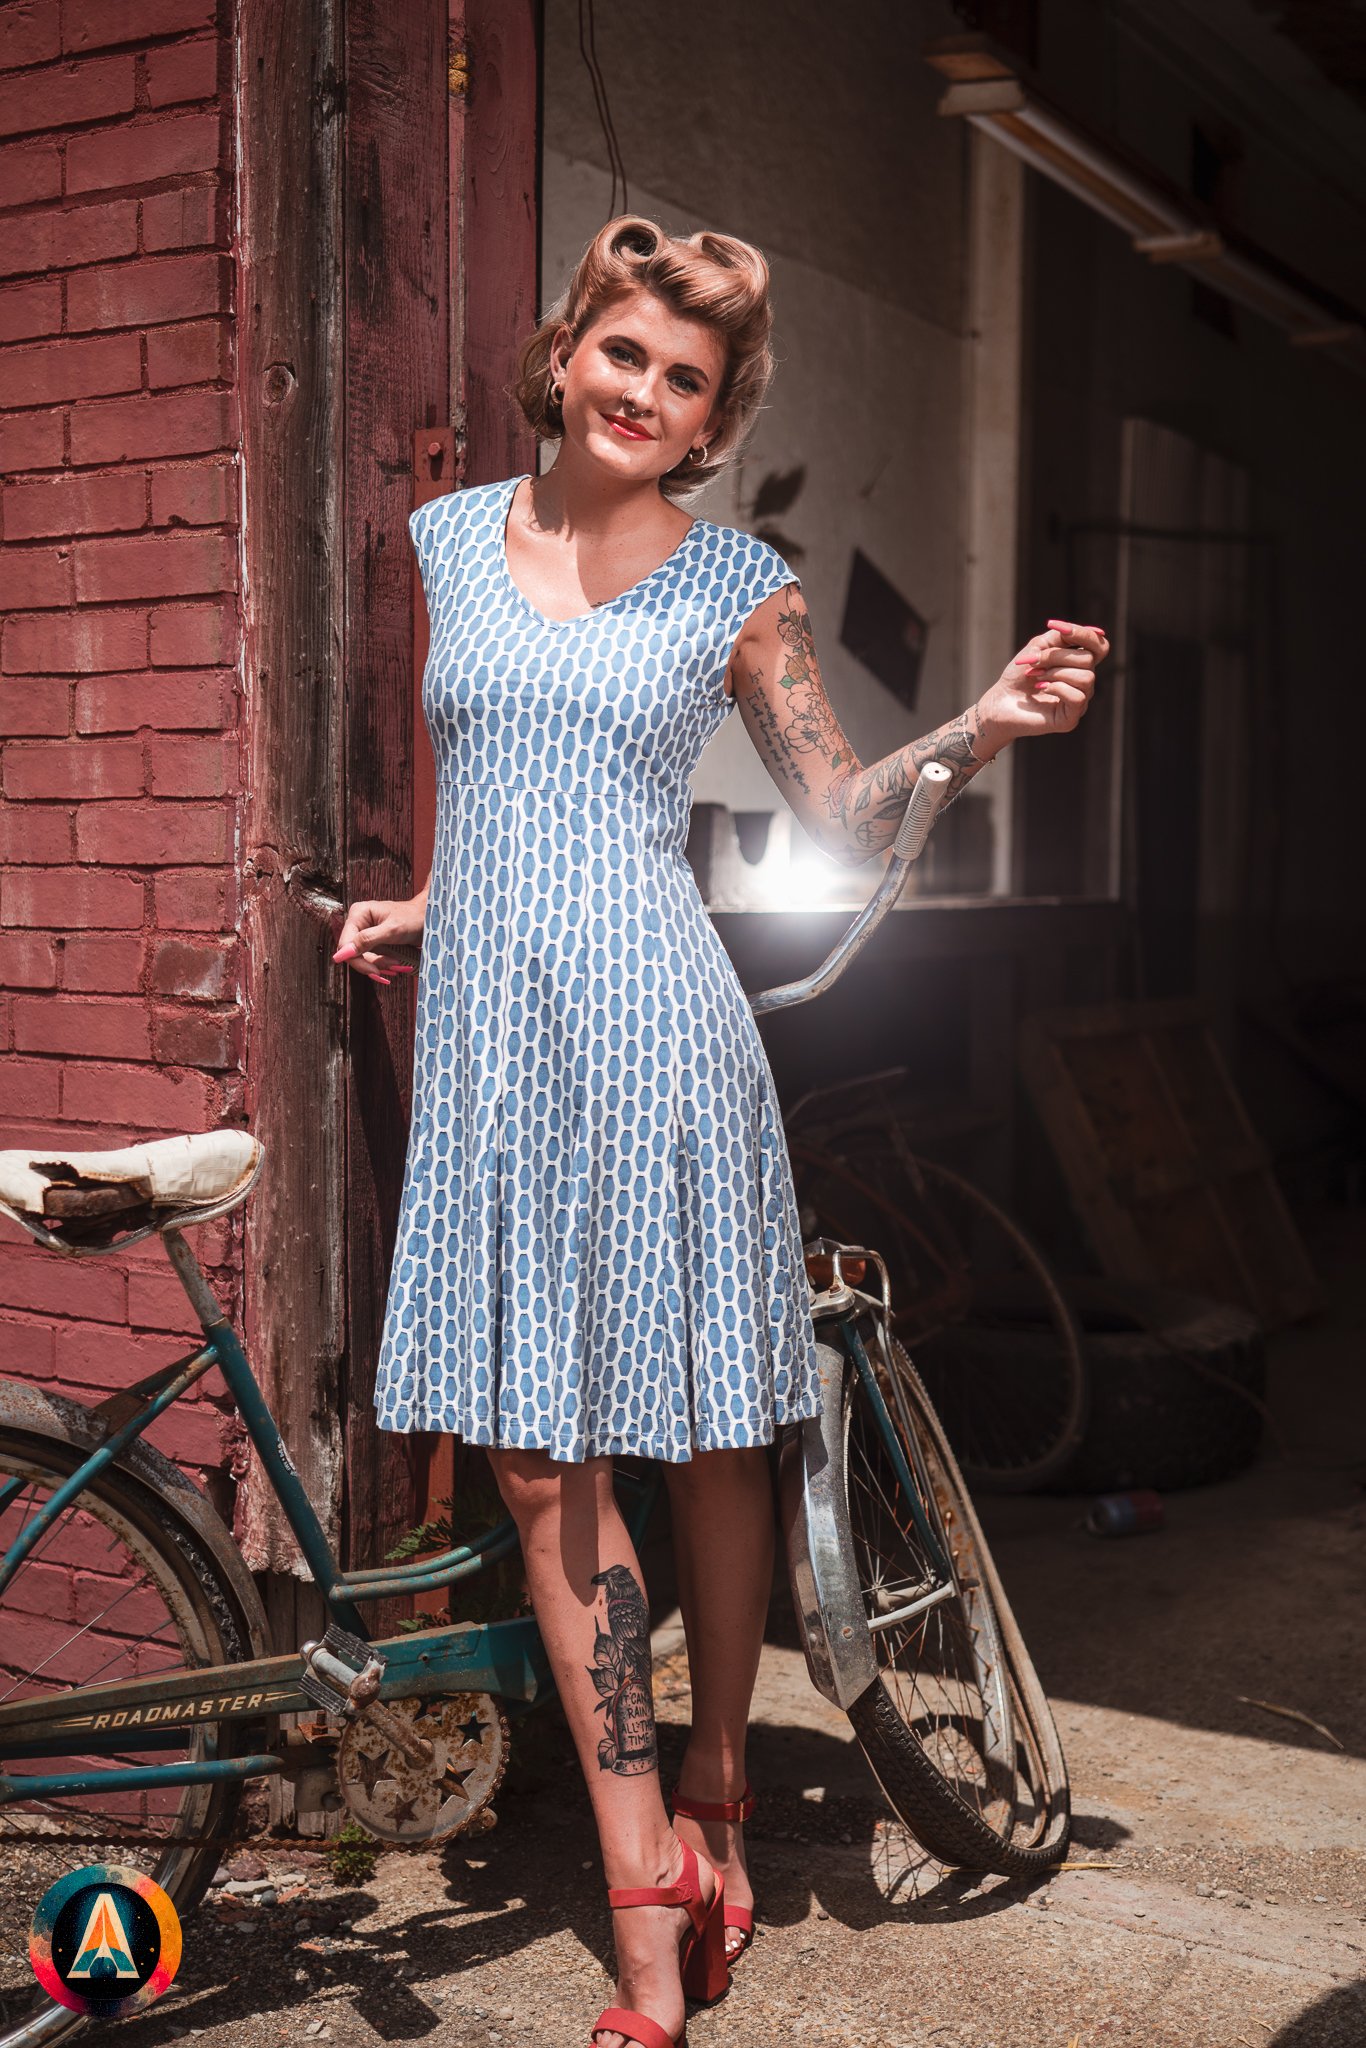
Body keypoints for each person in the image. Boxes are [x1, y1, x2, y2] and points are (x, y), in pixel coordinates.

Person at [333, 214, 1108, 2048]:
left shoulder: (732, 585)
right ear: (567, 351)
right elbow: (525, 781)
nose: (646, 394)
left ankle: (712, 1806)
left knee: (704, 1441)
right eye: (625, 354)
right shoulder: (450, 539)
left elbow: (834, 811)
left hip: (662, 1047)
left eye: (686, 383)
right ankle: (647, 1892)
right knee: (539, 1473)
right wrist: (436, 905)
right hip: (496, 1056)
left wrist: (974, 733)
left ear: (709, 421)